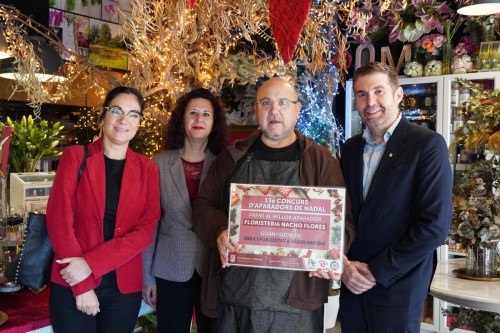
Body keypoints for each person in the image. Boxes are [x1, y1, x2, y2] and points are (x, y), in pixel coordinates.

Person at [192, 77, 355, 333]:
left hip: (297, 305)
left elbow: (343, 223)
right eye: (266, 102)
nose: (274, 110)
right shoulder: (232, 157)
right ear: (256, 109)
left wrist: (331, 256)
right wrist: (220, 231)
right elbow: (203, 205)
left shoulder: (320, 161)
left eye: (283, 102)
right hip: (236, 297)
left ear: (297, 109)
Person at [339, 62, 452, 332]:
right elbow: (341, 213)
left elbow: (434, 226)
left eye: (379, 91)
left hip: (398, 287)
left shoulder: (427, 144)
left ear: (398, 95)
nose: (370, 102)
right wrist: (343, 266)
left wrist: (377, 271)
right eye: (362, 94)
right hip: (352, 283)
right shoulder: (350, 148)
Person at [46, 86, 161, 333]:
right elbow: (59, 222)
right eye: (116, 110)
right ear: (103, 115)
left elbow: (145, 232)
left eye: (133, 114)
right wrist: (83, 285)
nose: (124, 120)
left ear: (139, 122)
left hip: (123, 290)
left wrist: (90, 263)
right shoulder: (76, 157)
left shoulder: (148, 169)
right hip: (72, 281)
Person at [142, 88, 229, 333]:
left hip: (212, 268)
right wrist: (147, 278)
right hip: (170, 268)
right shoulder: (158, 164)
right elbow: (150, 225)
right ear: (182, 120)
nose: (199, 119)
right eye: (192, 113)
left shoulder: (224, 165)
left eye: (206, 114)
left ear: (214, 123)